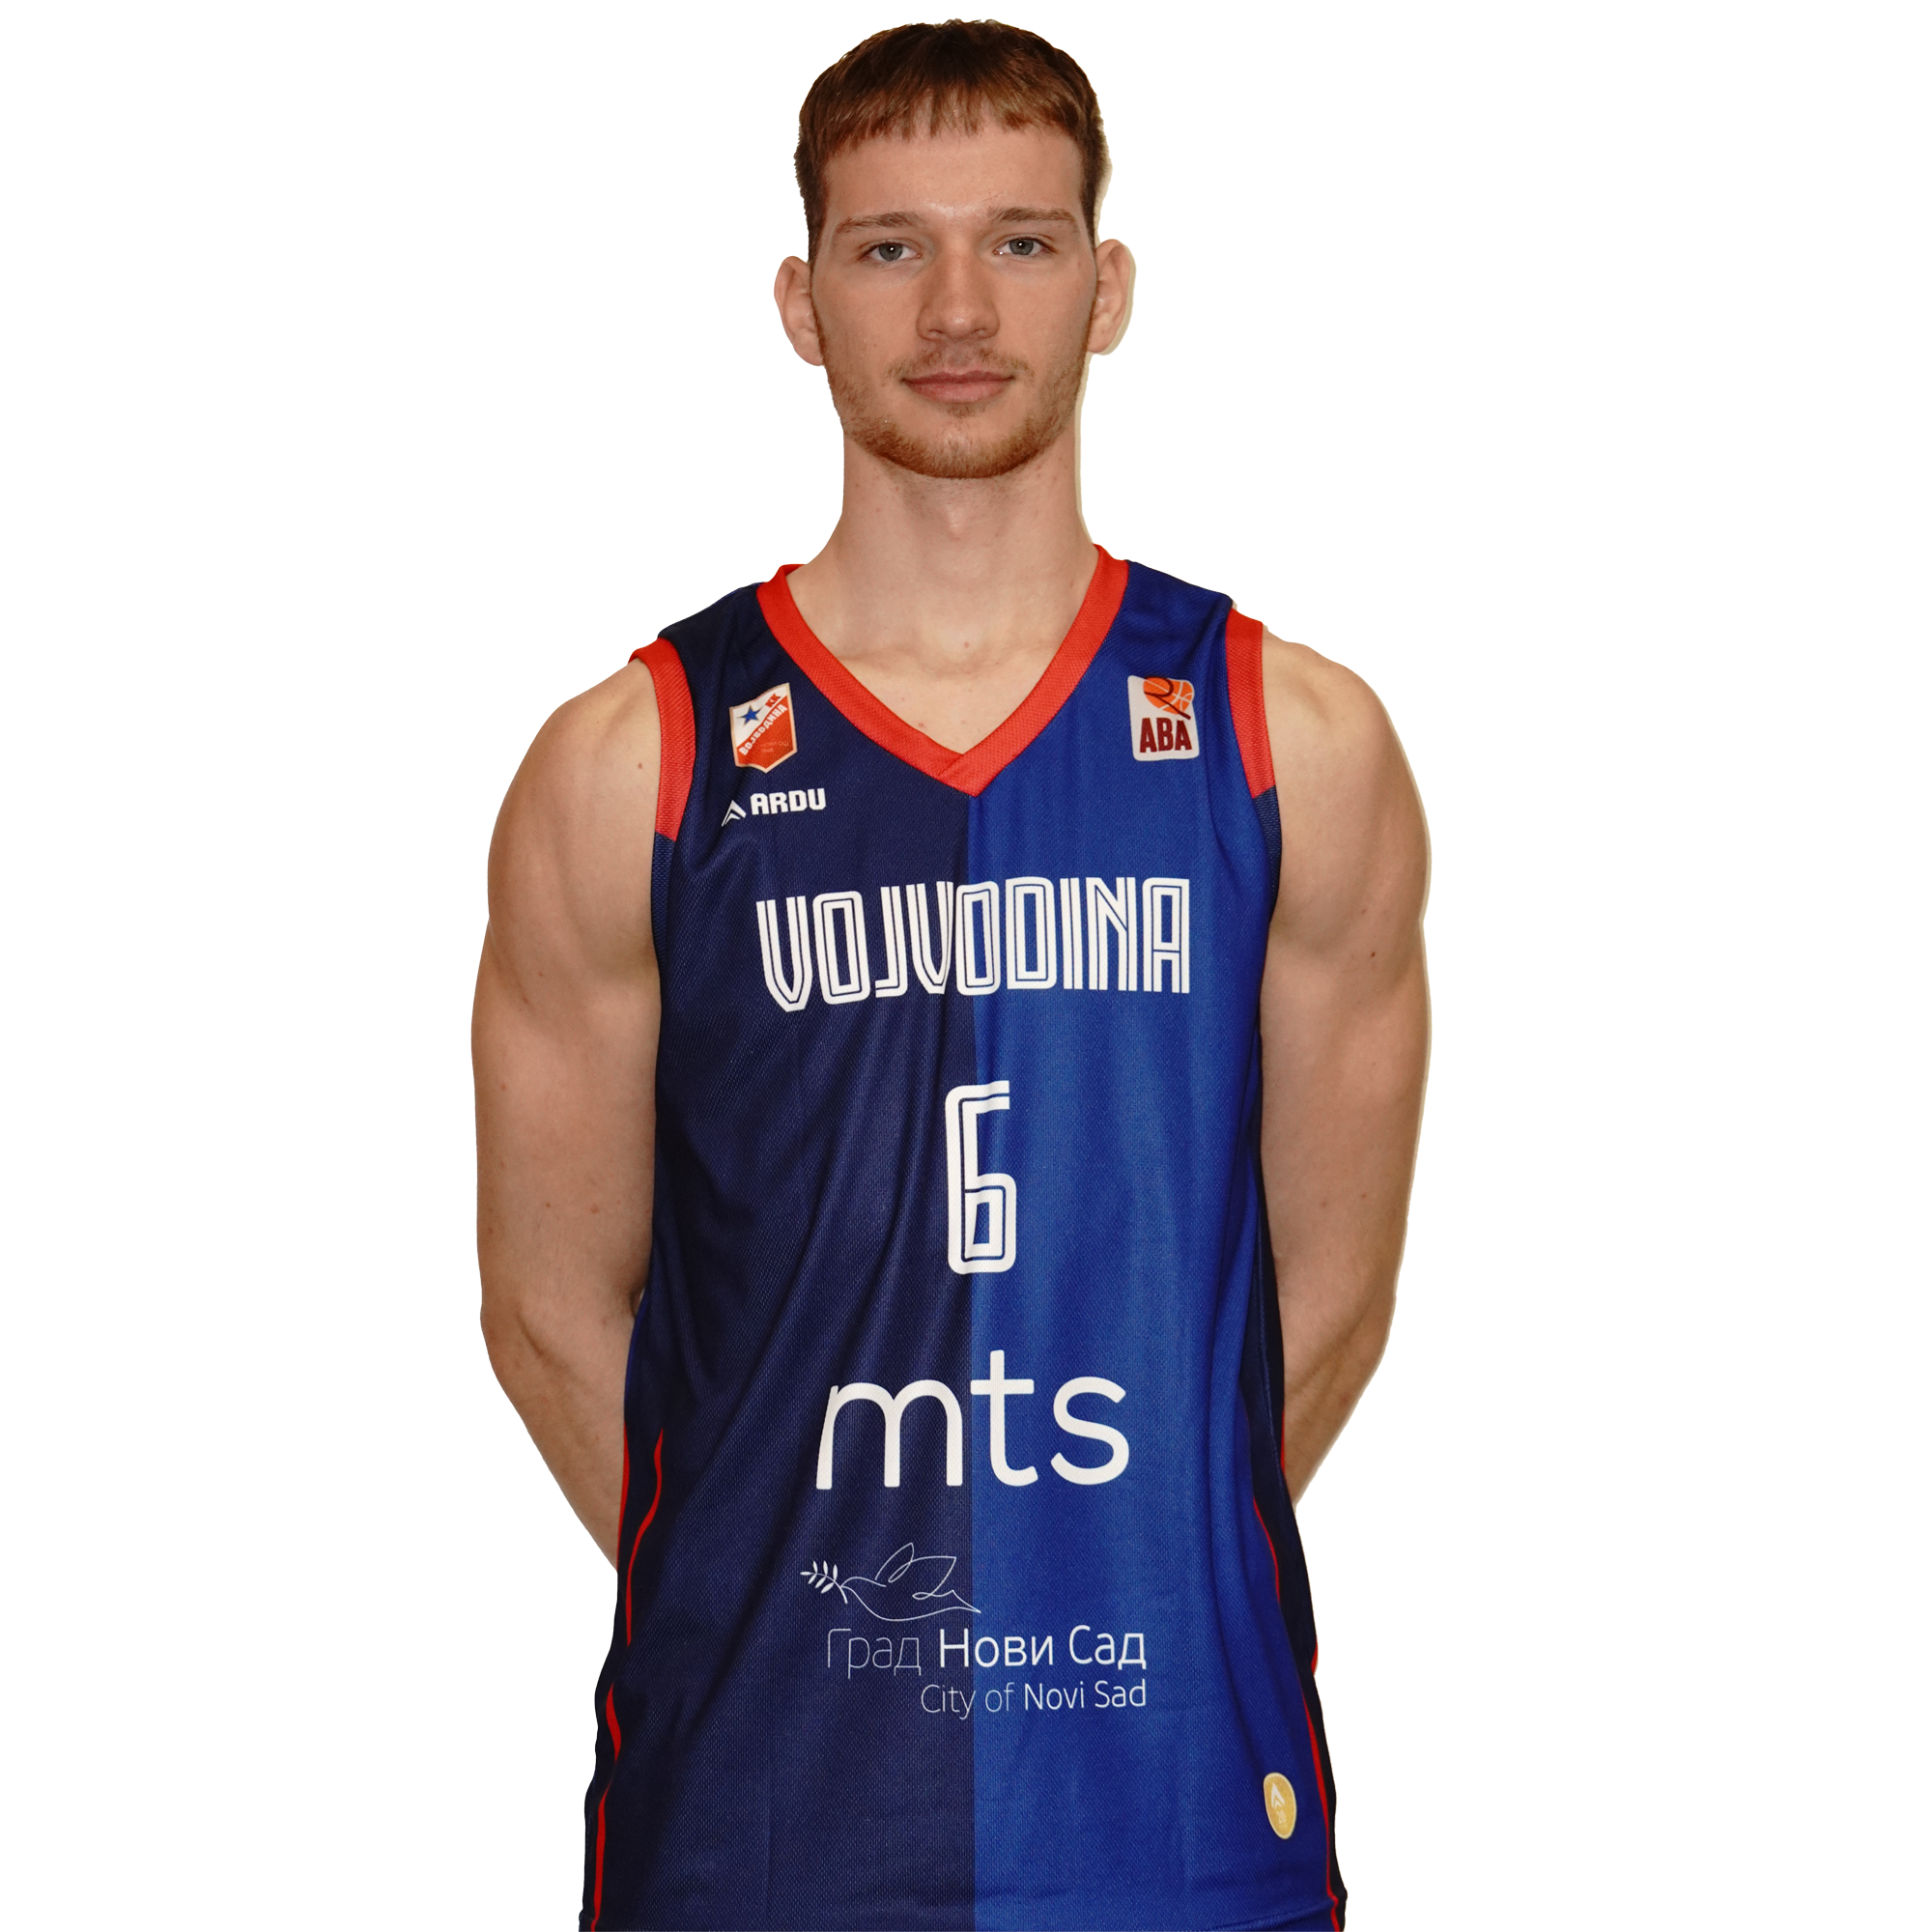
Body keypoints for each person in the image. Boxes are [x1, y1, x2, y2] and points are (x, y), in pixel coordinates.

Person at [473, 19, 1427, 1931]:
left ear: (1107, 286)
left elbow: (1321, 1305)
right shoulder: (633, 763)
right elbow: (547, 1307)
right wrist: (789, 1580)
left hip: (1168, 1800)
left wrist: (1108, 1572)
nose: (961, 309)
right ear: (802, 303)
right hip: (761, 1812)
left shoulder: (1286, 744)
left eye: (1022, 240)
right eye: (891, 246)